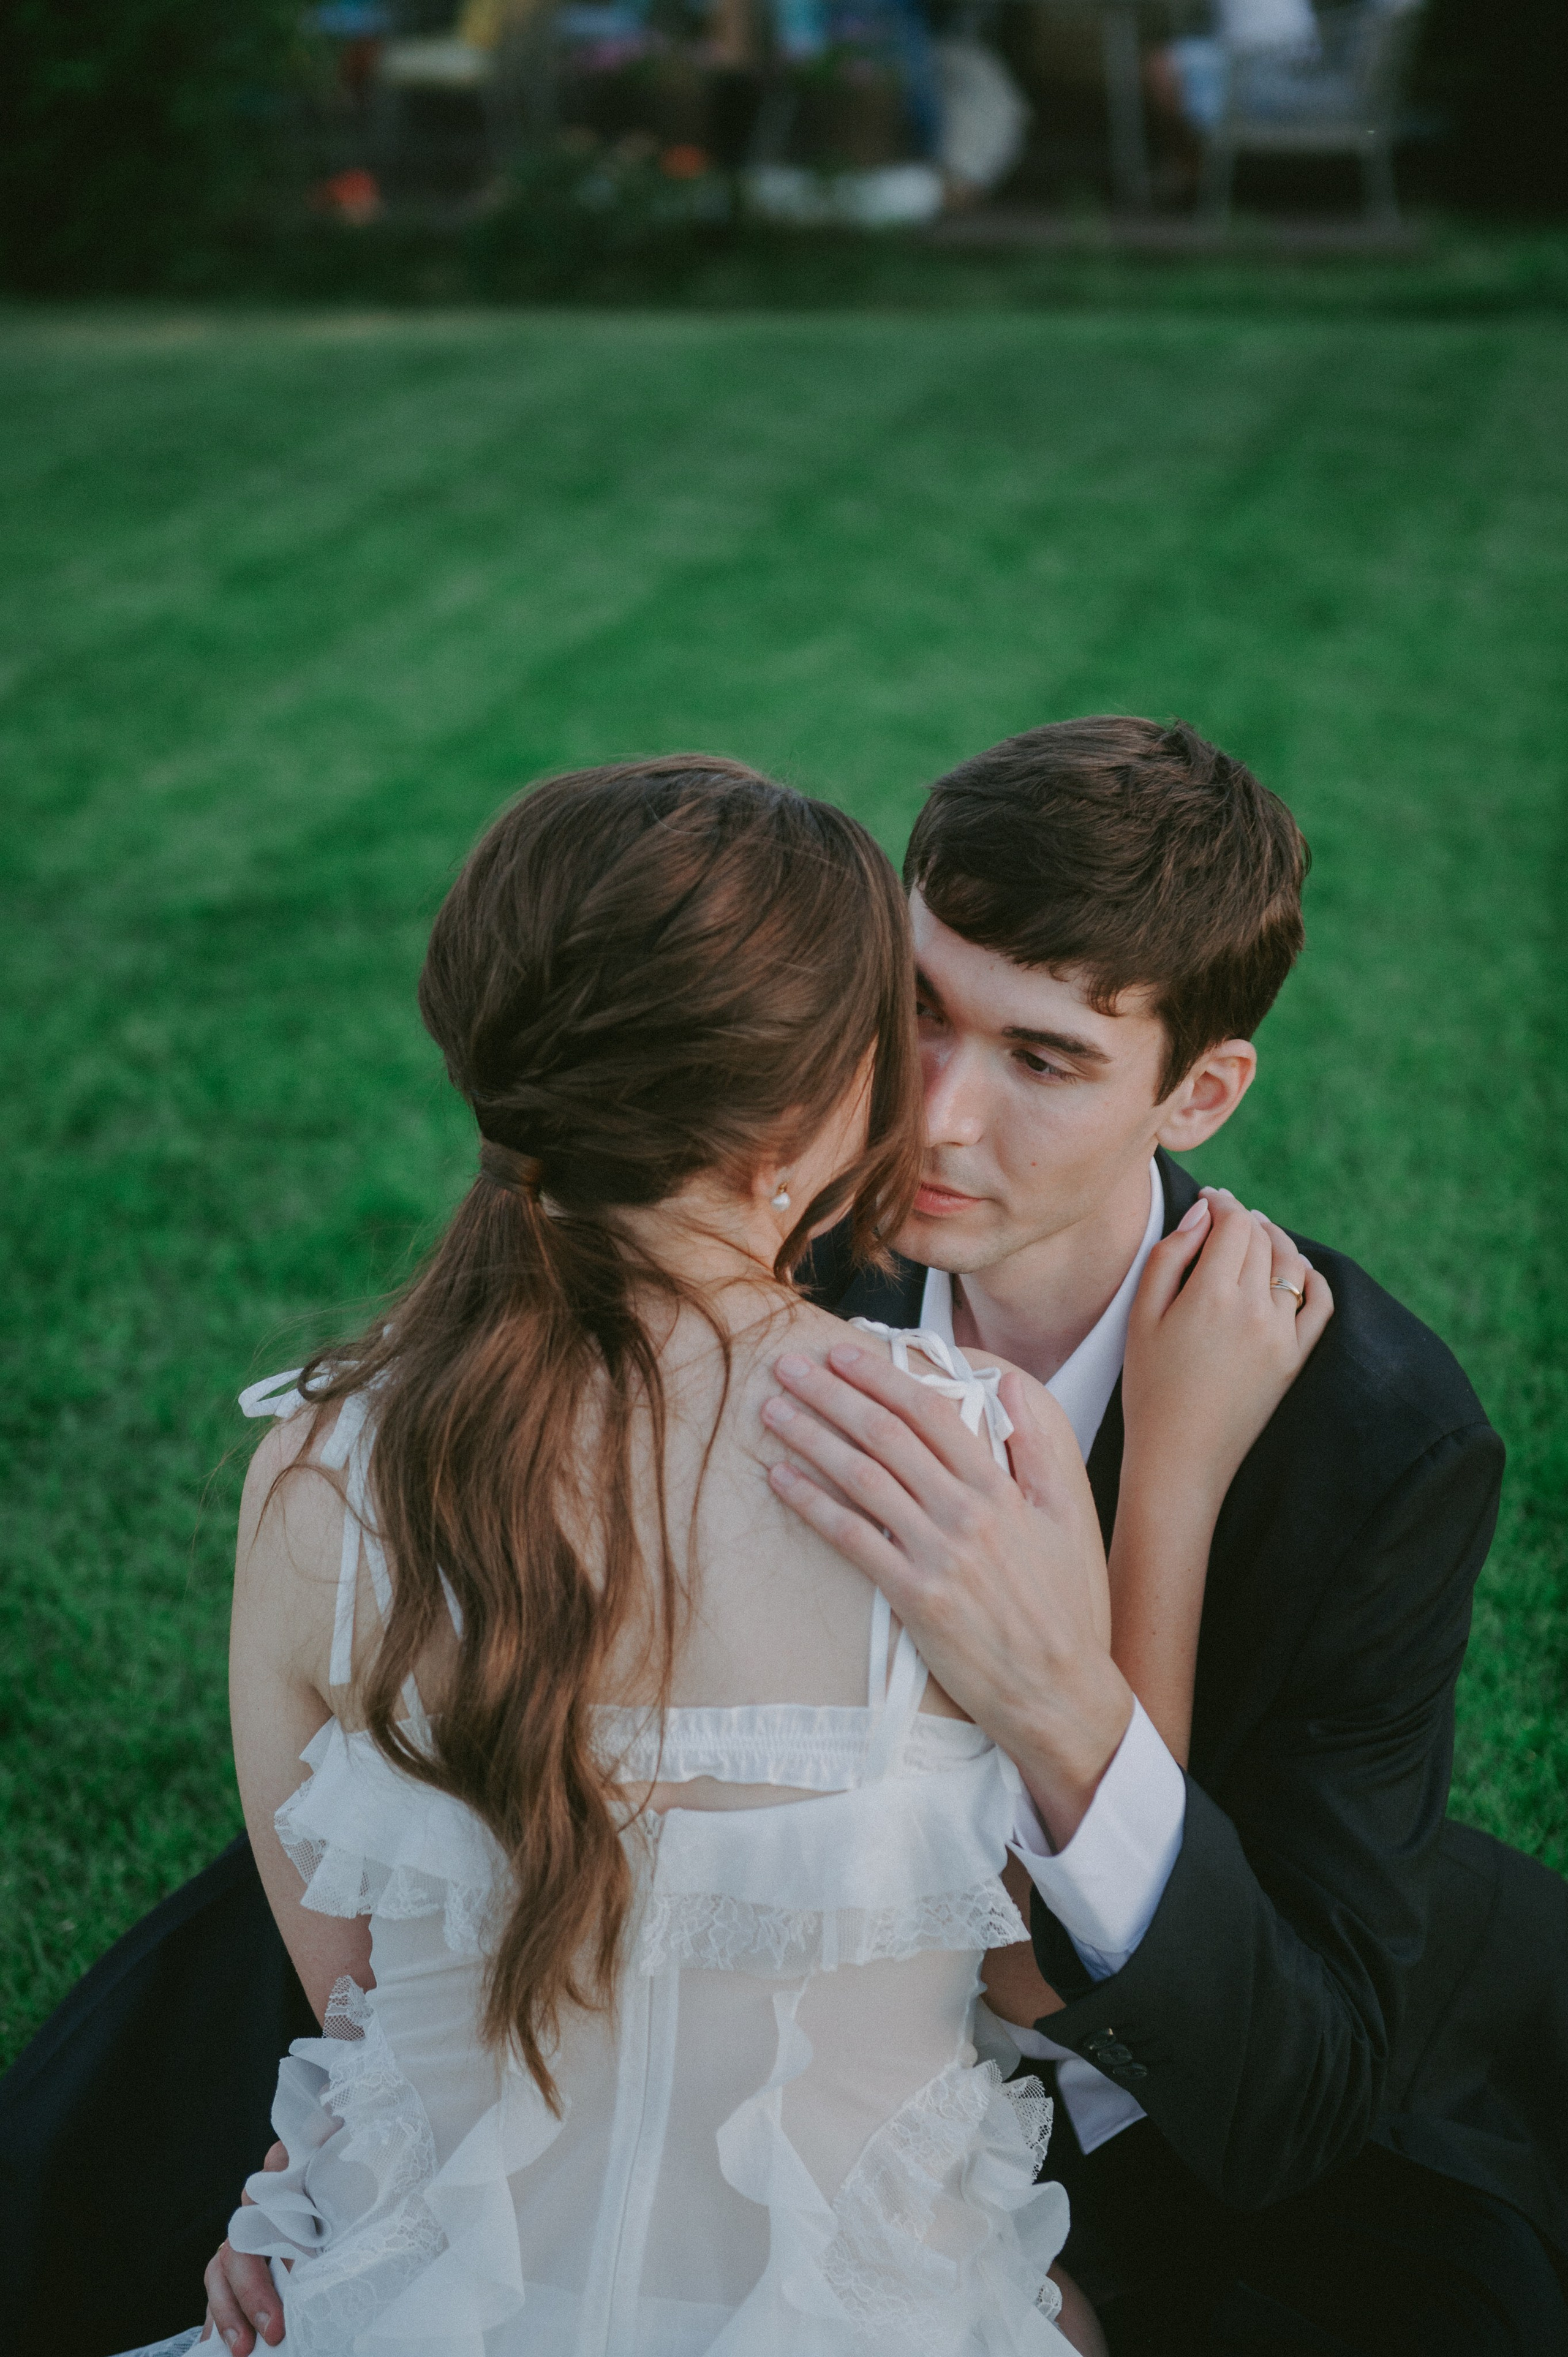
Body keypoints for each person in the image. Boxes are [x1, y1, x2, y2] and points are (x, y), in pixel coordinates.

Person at [107, 753, 1318, 2357]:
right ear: (816, 1121)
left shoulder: (315, 1477)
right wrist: (1170, 1475)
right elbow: (1048, 1981)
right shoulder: (982, 1444)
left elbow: (358, 2003)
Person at [762, 718, 1568, 2353]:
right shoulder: (766, 1258)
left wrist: (1107, 1609)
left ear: (1198, 1090)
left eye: (1044, 1059)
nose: (935, 1113)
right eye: (919, 1008)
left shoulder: (1374, 1432)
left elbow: (1294, 2087)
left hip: (1221, 2060)